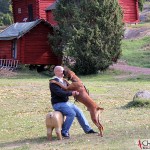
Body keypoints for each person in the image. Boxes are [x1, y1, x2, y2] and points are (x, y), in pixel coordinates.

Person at [49, 66, 97, 139]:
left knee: (79, 111)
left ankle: (88, 130)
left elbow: (72, 87)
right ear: (57, 72)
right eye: (62, 71)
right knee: (71, 113)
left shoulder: (64, 81)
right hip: (58, 104)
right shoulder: (53, 82)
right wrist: (71, 93)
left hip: (66, 103)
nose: (64, 73)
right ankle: (64, 132)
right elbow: (60, 93)